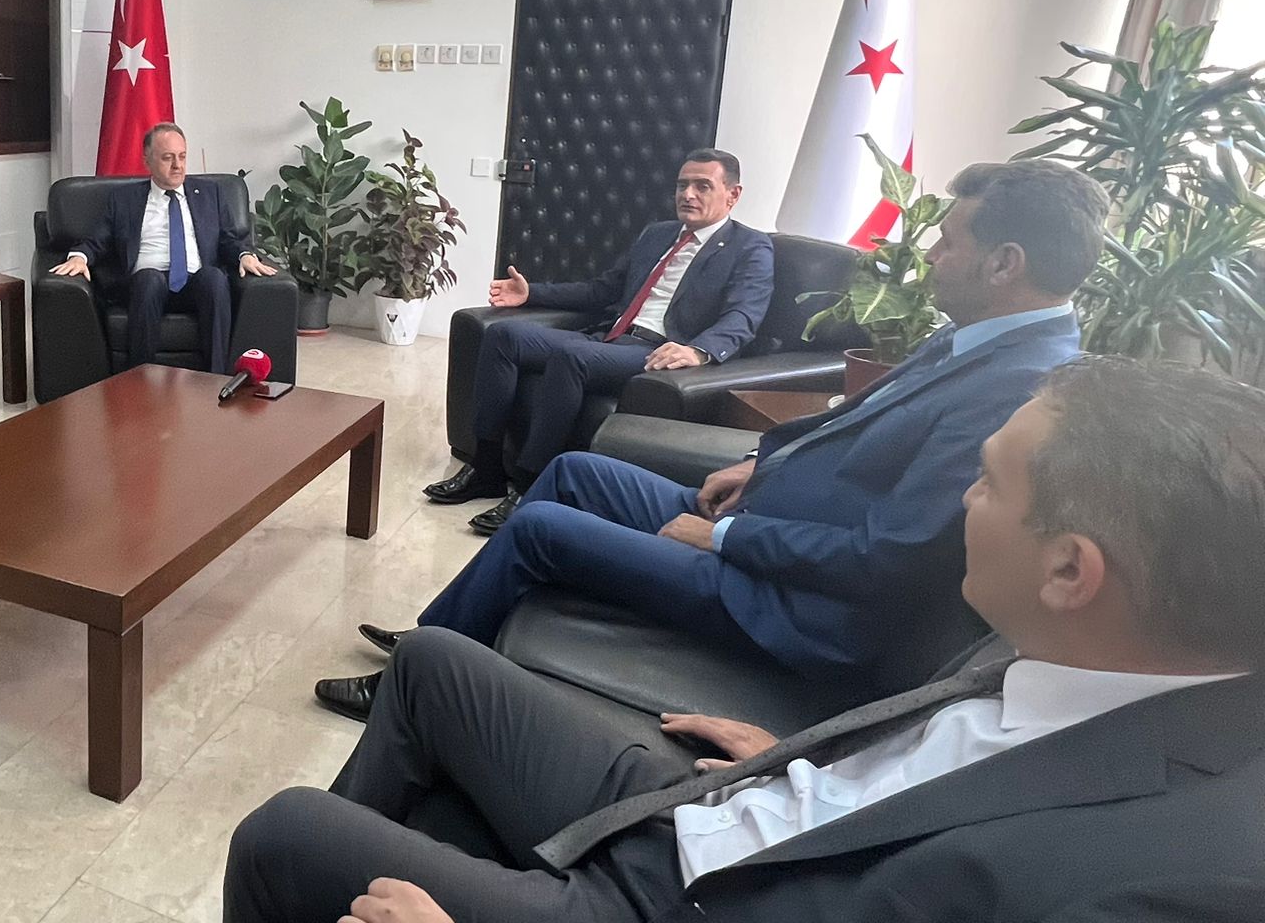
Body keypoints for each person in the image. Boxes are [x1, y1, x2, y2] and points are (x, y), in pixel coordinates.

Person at [231, 356, 1265, 923]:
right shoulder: (1093, 653)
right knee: (429, 666)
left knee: (286, 833)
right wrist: (800, 757)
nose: (960, 501)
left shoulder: (1171, 879)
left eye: (987, 481)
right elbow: (941, 764)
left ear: (1070, 570)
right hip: (725, 803)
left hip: (671, 898)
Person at [318, 159, 1106, 721]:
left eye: (949, 243)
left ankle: (410, 688)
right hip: (764, 520)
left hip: (797, 605)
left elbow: (888, 557)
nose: (931, 256)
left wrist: (728, 538)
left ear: (1005, 264)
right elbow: (849, 427)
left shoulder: (1013, 387)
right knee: (576, 471)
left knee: (539, 528)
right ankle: (444, 637)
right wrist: (759, 462)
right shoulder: (979, 340)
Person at [426, 150, 773, 536]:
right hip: (610, 338)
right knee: (503, 335)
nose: (687, 194)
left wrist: (698, 350)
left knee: (571, 355)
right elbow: (603, 289)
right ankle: (486, 468)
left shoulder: (750, 247)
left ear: (733, 194)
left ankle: (528, 487)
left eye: (702, 186)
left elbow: (743, 317)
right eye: (682, 185)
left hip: (654, 353)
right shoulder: (657, 234)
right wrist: (532, 293)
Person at [49, 122, 277, 374]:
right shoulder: (125, 200)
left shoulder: (209, 194)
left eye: (182, 156)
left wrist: (244, 255)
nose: (178, 165)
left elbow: (229, 238)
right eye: (168, 158)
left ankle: (215, 380)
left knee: (214, 278)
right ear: (147, 160)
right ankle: (139, 381)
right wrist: (80, 257)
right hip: (145, 285)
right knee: (149, 279)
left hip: (196, 281)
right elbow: (98, 239)